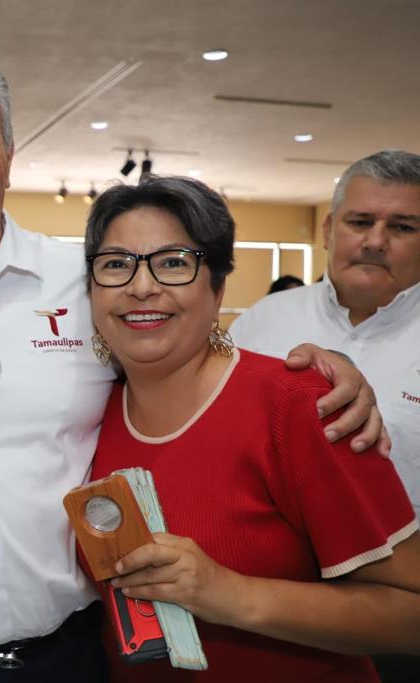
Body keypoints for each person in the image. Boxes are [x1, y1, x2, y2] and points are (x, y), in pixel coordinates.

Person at [0, 45, 386, 682]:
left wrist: (327, 363)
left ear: (9, 155)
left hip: (77, 654)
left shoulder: (92, 283)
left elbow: (186, 352)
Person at [83, 175, 420, 682]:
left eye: (174, 262)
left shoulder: (301, 404)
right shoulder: (85, 411)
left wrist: (229, 593)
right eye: (116, 264)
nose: (142, 286)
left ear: (218, 287)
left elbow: (410, 614)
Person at [230, 149, 420, 682]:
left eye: (402, 226)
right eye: (361, 222)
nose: (376, 240)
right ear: (331, 228)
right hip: (260, 606)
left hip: (396, 621)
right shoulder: (263, 323)